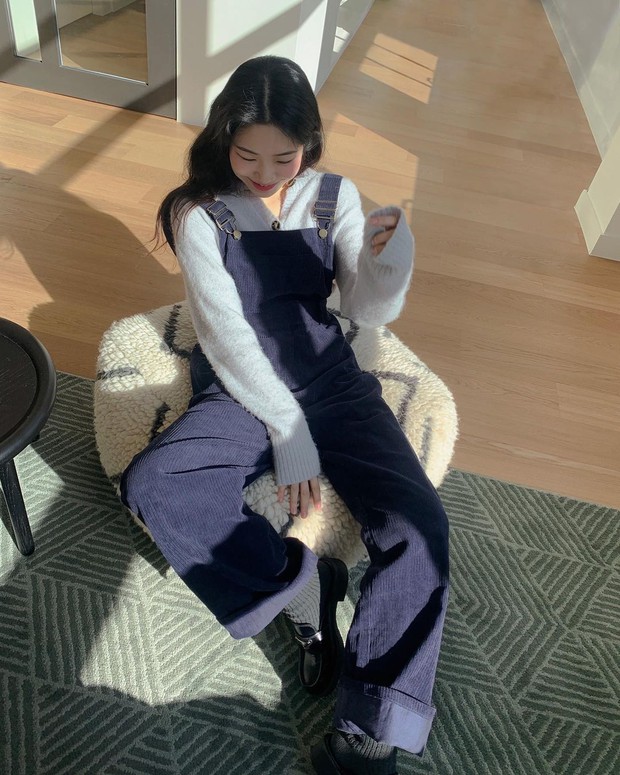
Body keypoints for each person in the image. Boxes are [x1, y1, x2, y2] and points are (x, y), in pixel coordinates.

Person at [121, 55, 449, 775]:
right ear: (223, 138)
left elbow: (363, 309)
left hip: (331, 374)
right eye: (247, 155)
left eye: (284, 156)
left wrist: (390, 266)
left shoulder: (334, 198)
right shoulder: (197, 213)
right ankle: (303, 591)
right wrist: (287, 429)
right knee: (155, 482)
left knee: (420, 527)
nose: (265, 173)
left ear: (311, 144)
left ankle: (369, 733)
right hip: (242, 384)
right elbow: (225, 337)